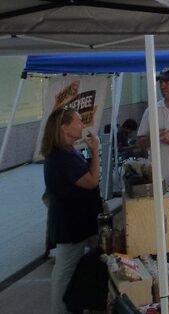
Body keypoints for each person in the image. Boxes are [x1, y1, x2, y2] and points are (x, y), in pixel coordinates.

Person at [42, 107, 103, 314]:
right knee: (65, 270)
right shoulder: (61, 157)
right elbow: (92, 181)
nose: (82, 125)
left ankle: (71, 305)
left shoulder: (67, 151)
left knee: (69, 268)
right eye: (77, 121)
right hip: (70, 223)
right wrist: (95, 151)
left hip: (76, 221)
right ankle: (60, 309)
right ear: (64, 127)